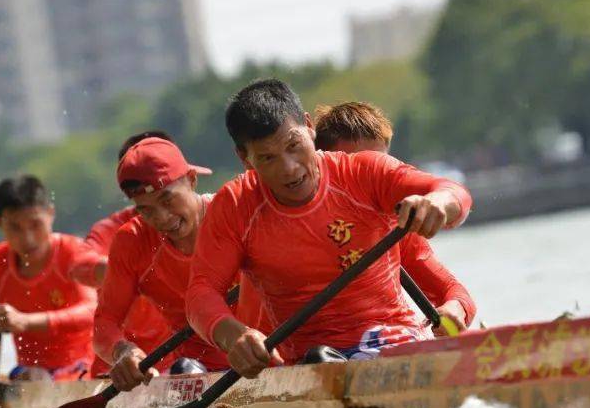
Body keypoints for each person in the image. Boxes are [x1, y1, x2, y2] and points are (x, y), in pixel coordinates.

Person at [186, 78, 472, 379]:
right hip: (310, 363)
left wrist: (440, 202)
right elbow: (200, 293)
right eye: (268, 158)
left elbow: (454, 190)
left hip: (393, 343)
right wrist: (234, 336)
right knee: (319, 359)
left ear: (309, 127)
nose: (290, 169)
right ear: (245, 158)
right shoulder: (235, 205)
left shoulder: (365, 172)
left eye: (294, 146)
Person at [96, 136, 258, 391]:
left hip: (265, 352)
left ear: (192, 179)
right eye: (146, 210)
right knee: (185, 371)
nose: (161, 218)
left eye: (167, 200)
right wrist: (122, 351)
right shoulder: (132, 242)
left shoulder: (233, 211)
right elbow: (105, 323)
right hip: (198, 372)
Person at [313, 101, 476, 331]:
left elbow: (453, 292)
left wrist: (454, 309)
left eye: (382, 166)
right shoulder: (290, 223)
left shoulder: (394, 227)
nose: (373, 176)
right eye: (358, 168)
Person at [0, 175, 97, 381]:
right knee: (35, 378)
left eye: (35, 225)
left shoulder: (74, 253)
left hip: (89, 367)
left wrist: (26, 322)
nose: (27, 239)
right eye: (15, 227)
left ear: (50, 214)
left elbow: (92, 311)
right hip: (32, 375)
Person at [70, 132, 178, 376]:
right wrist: (121, 271)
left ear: (187, 177)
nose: (162, 217)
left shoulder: (213, 216)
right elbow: (78, 266)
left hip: (185, 362)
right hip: (123, 367)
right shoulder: (114, 230)